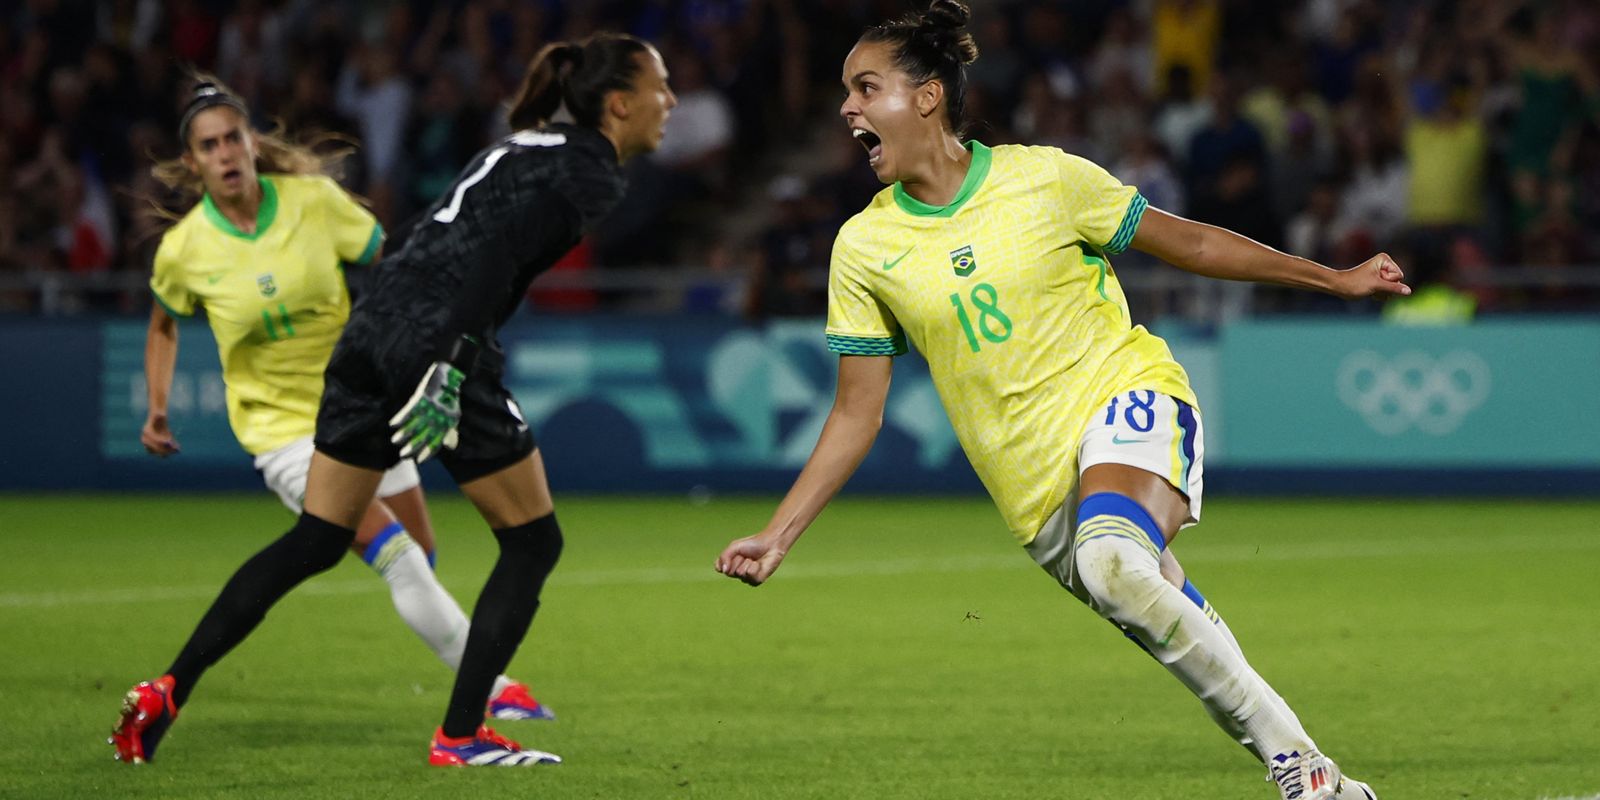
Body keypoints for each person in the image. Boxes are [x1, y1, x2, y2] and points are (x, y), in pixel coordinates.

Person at [714, 4, 1401, 799]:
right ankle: (1322, 775)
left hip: (1126, 395)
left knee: (1112, 561)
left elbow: (1195, 243)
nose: (848, 109)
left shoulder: (1044, 177)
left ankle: (1301, 776)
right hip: (1033, 490)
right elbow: (855, 413)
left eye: (866, 88)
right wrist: (779, 534)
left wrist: (1332, 278)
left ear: (928, 96)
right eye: (847, 93)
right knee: (1150, 598)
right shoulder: (865, 248)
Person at [111, 35, 675, 767]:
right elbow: (498, 257)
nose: (672, 101)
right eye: (662, 86)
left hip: (370, 332)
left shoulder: (531, 142)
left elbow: (419, 234)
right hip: (436, 339)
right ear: (620, 102)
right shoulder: (588, 172)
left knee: (317, 539)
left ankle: (166, 689)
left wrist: (396, 331)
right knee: (534, 541)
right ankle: (462, 733)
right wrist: (447, 364)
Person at [130, 78, 555, 737]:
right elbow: (163, 323)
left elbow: (396, 261)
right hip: (285, 435)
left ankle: (464, 672)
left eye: (232, 137)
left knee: (421, 549)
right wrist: (157, 408)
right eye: (208, 145)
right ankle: (493, 692)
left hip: (364, 403)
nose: (224, 153)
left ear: (252, 141)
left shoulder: (313, 202)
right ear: (193, 163)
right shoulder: (185, 251)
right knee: (397, 556)